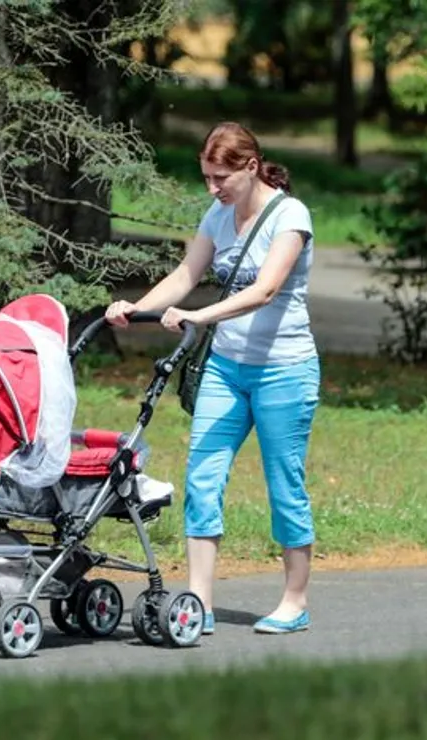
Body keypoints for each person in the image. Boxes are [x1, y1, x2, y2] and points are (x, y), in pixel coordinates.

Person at [105, 122, 320, 636]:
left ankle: (295, 600)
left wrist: (201, 316)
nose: (213, 187)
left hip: (284, 371)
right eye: (206, 176)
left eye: (221, 177)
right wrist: (137, 306)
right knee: (203, 478)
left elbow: (266, 290)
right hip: (226, 369)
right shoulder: (218, 215)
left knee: (284, 485)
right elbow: (185, 275)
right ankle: (198, 602)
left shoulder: (290, 216)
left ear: (250, 167)